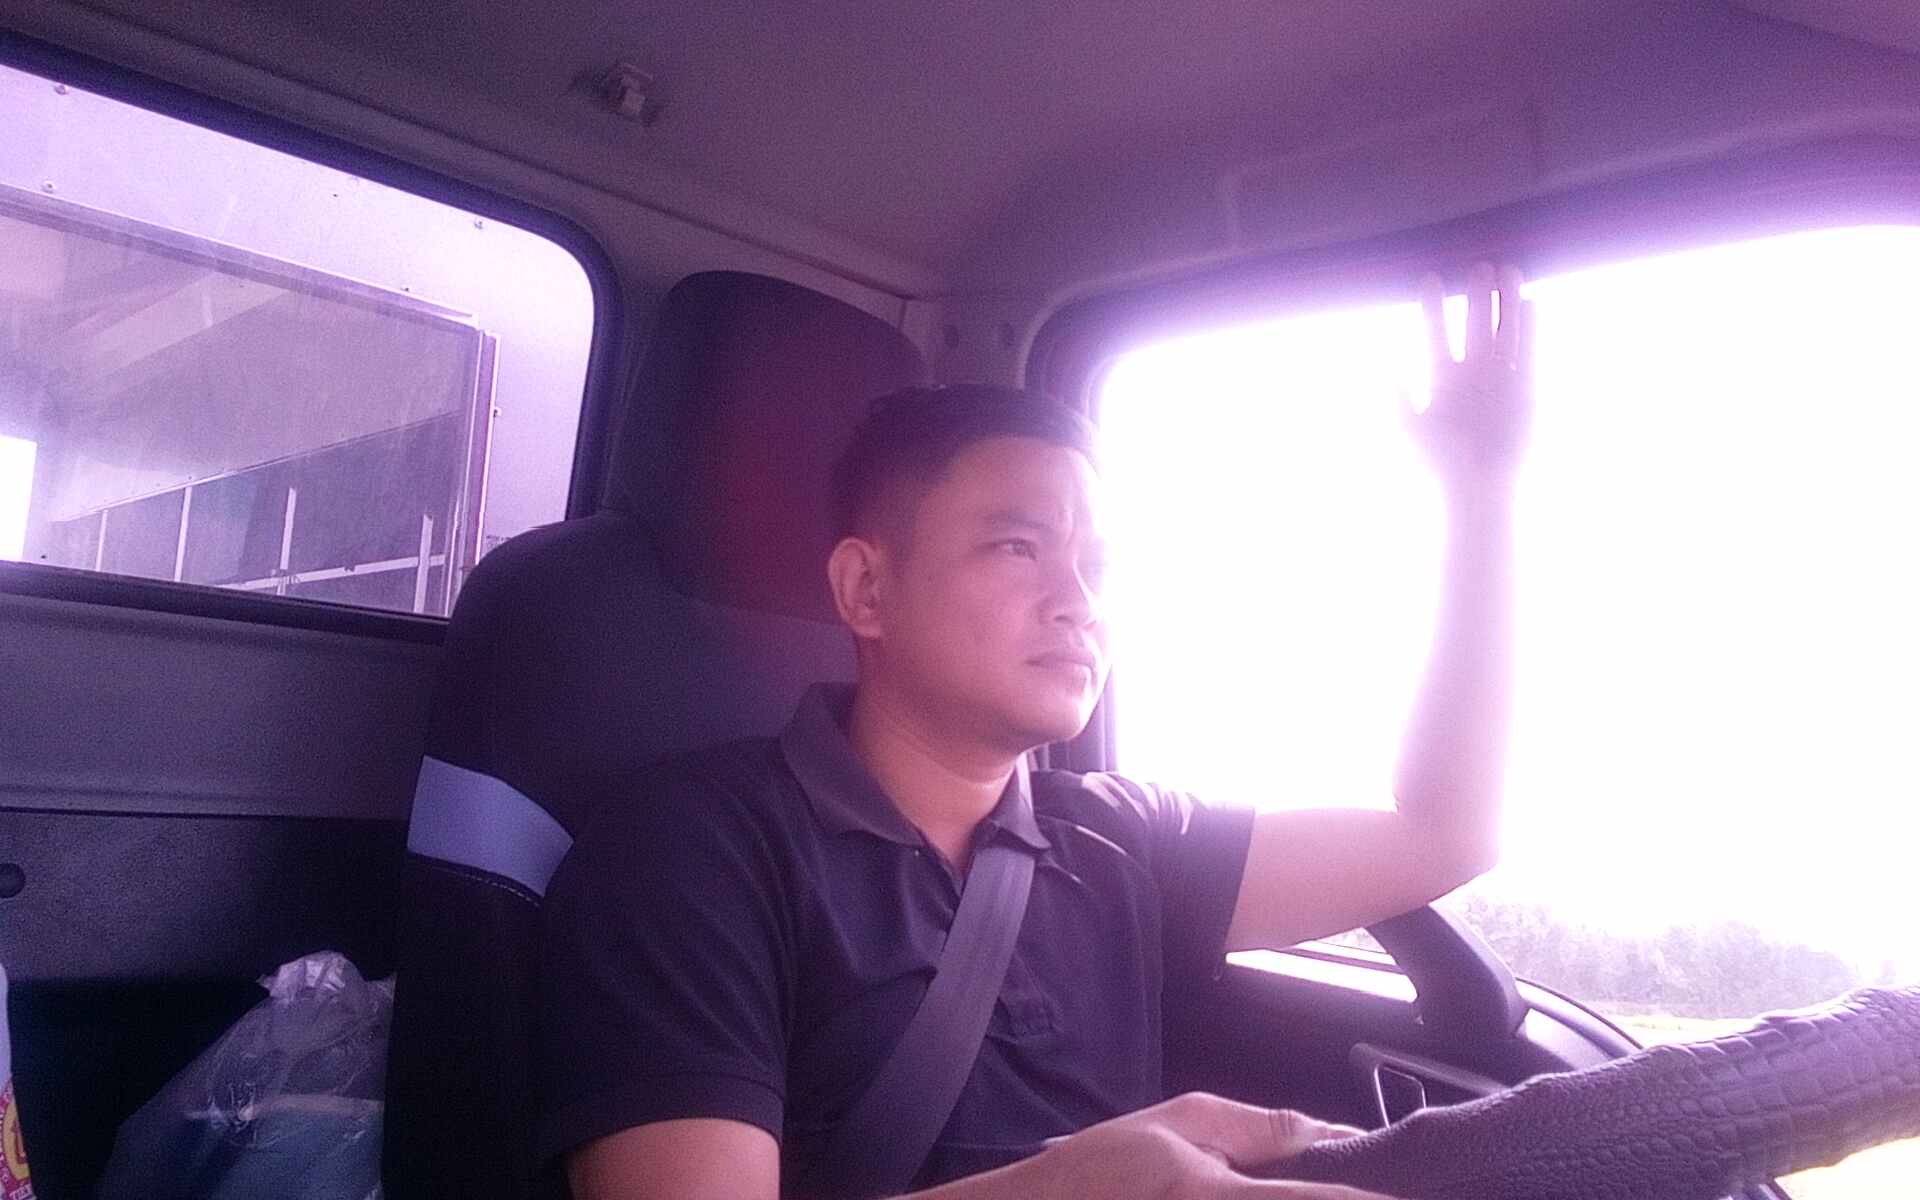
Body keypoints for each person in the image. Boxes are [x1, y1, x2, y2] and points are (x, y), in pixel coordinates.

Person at [537, 264, 1534, 1200]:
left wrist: (1482, 494)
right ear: (866, 588)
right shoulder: (689, 851)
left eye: (1097, 566)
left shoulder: (1124, 837)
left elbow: (1445, 832)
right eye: (1019, 546)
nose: (1079, 601)